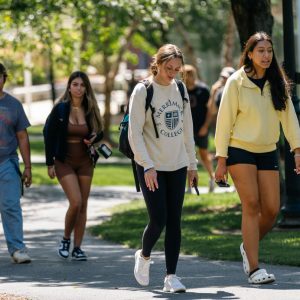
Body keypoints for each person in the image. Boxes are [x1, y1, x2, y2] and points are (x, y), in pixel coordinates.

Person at [214, 32, 300, 284]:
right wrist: (221, 159)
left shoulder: (278, 82)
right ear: (249, 54)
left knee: (272, 210)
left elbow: (289, 119)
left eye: (269, 51)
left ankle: (246, 246)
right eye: (260, 50)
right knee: (251, 205)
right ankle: (254, 269)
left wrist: (297, 149)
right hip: (239, 149)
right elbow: (224, 121)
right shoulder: (236, 82)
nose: (266, 55)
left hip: (267, 150)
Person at [129, 44, 198, 293]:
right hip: (151, 166)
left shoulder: (180, 88)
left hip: (177, 163)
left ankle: (171, 276)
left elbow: (187, 128)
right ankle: (144, 255)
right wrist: (147, 166)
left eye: (177, 69)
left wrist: (192, 163)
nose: (173, 73)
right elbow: (134, 134)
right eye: (169, 68)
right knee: (158, 219)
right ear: (157, 63)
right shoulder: (143, 90)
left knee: (175, 221)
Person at [44, 71, 103, 261]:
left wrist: (95, 137)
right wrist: (49, 163)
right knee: (75, 202)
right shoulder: (60, 109)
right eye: (75, 84)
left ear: (86, 88)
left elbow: (100, 131)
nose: (79, 88)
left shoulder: (90, 108)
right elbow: (48, 134)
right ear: (69, 87)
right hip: (64, 162)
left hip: (85, 162)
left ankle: (78, 248)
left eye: (82, 85)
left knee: (83, 206)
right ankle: (65, 239)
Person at [0, 63, 32, 263]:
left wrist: (27, 167)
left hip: (7, 162)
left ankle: (18, 249)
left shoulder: (14, 105)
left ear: (4, 78)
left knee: (11, 205)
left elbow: (22, 137)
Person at [183, 64, 215, 192]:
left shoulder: (203, 90)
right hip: (186, 130)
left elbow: (210, 111)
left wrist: (206, 126)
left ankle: (211, 178)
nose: (188, 77)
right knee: (186, 157)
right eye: (185, 74)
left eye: (190, 74)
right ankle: (189, 185)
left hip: (201, 128)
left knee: (203, 155)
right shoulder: (181, 89)